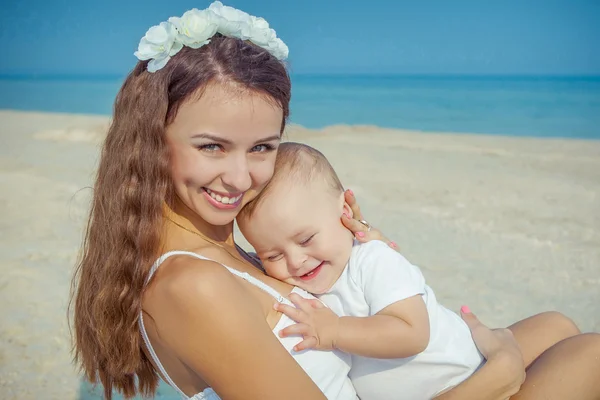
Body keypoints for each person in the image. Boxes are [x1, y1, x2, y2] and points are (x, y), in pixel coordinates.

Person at [69, 2, 599, 400]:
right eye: (212, 146)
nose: (239, 178)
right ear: (150, 140)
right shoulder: (193, 285)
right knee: (591, 353)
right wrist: (499, 374)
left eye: (262, 148)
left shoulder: (233, 247)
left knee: (556, 326)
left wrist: (353, 249)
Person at [237, 141, 600, 400]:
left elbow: (412, 334)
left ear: (344, 209)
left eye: (305, 238)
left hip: (465, 369)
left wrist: (335, 330)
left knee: (557, 324)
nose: (296, 261)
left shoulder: (372, 259)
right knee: (591, 352)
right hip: (462, 390)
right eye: (272, 254)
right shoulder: (298, 282)